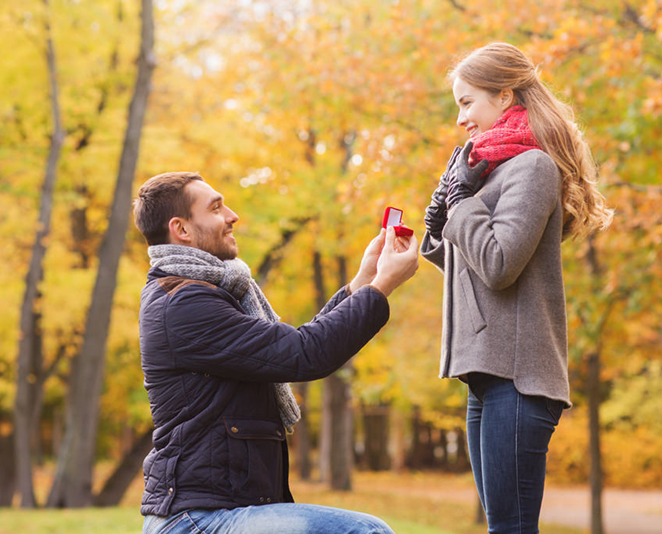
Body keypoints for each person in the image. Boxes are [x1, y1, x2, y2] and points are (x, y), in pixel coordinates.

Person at [132, 171, 418, 534]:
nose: (232, 215)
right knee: (366, 532)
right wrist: (381, 287)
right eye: (217, 208)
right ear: (182, 229)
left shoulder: (204, 293)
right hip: (196, 520)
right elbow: (305, 353)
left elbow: (292, 347)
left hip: (224, 509)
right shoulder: (185, 304)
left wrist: (364, 281)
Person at [420, 43, 613, 533]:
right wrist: (437, 227)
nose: (461, 117)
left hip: (519, 379)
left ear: (505, 96)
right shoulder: (489, 171)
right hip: (485, 377)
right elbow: (478, 276)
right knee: (501, 528)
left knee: (510, 530)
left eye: (468, 102)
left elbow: (500, 265)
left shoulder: (533, 169)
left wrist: (461, 202)